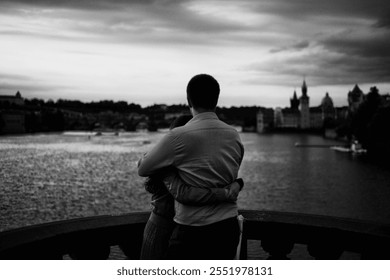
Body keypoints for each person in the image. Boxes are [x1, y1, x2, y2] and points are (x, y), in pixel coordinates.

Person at [138, 74, 244, 259]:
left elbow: (143, 169)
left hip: (193, 229)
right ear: (216, 100)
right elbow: (232, 173)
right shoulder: (233, 135)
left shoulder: (178, 136)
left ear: (189, 100)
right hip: (228, 226)